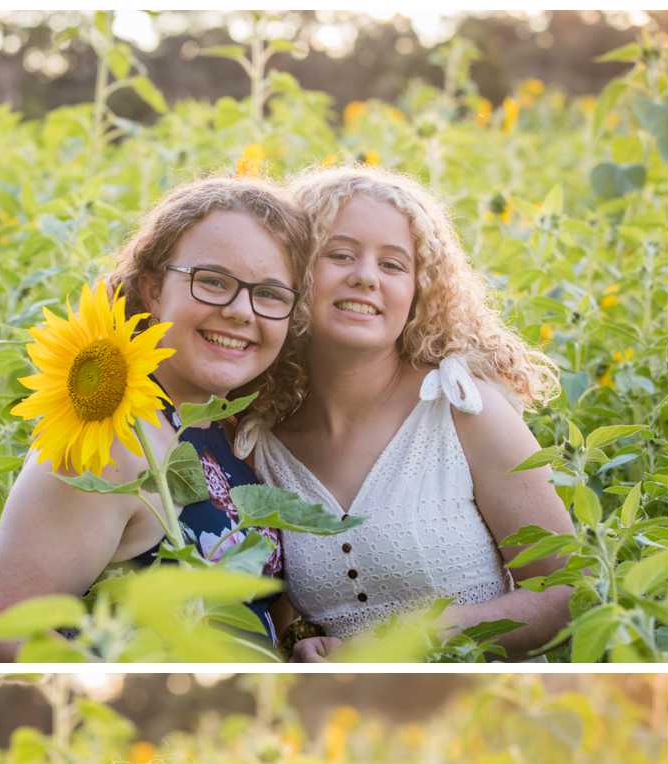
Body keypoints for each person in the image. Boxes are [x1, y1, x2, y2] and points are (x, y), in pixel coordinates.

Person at [233, 163, 575, 661]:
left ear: (419, 291)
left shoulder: (462, 410)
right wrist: (304, 650)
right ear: (292, 271)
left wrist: (413, 641)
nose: (365, 277)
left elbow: (567, 591)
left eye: (393, 265)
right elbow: (280, 620)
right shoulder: (260, 444)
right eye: (340, 254)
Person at [0, 177, 312, 660]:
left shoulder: (217, 430)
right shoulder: (113, 443)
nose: (239, 311)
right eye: (212, 281)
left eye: (270, 294)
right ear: (152, 288)